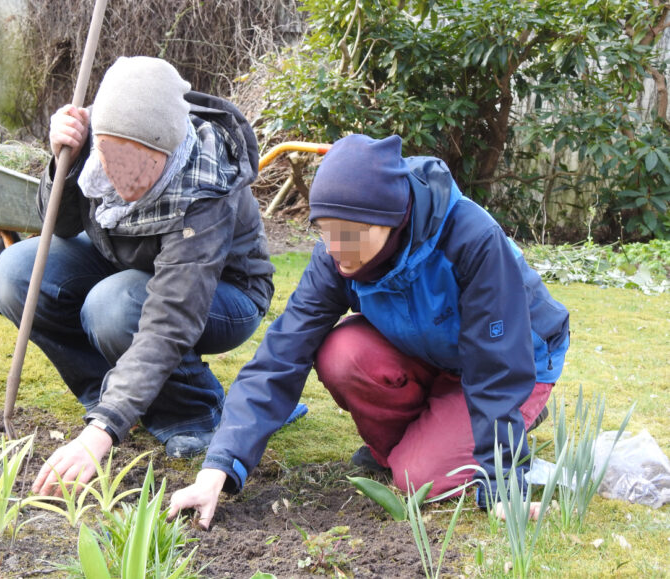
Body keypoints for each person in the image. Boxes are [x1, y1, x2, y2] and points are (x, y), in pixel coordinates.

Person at [168, 134, 570, 527]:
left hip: (518, 359)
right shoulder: (335, 256)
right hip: (432, 352)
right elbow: (282, 354)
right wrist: (217, 469)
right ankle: (420, 441)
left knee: (416, 478)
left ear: (392, 220)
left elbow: (496, 364)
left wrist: (502, 484)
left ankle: (510, 419)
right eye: (325, 229)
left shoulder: (471, 239)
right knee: (341, 352)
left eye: (351, 232)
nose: (337, 245)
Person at [0, 56, 277, 496]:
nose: (123, 179)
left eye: (142, 165)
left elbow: (170, 318)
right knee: (16, 272)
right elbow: (60, 227)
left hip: (225, 294)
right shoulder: (96, 151)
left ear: (168, 149)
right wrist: (64, 161)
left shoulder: (205, 185)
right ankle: (107, 395)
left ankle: (194, 413)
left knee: (115, 304)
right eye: (110, 158)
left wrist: (103, 431)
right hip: (130, 268)